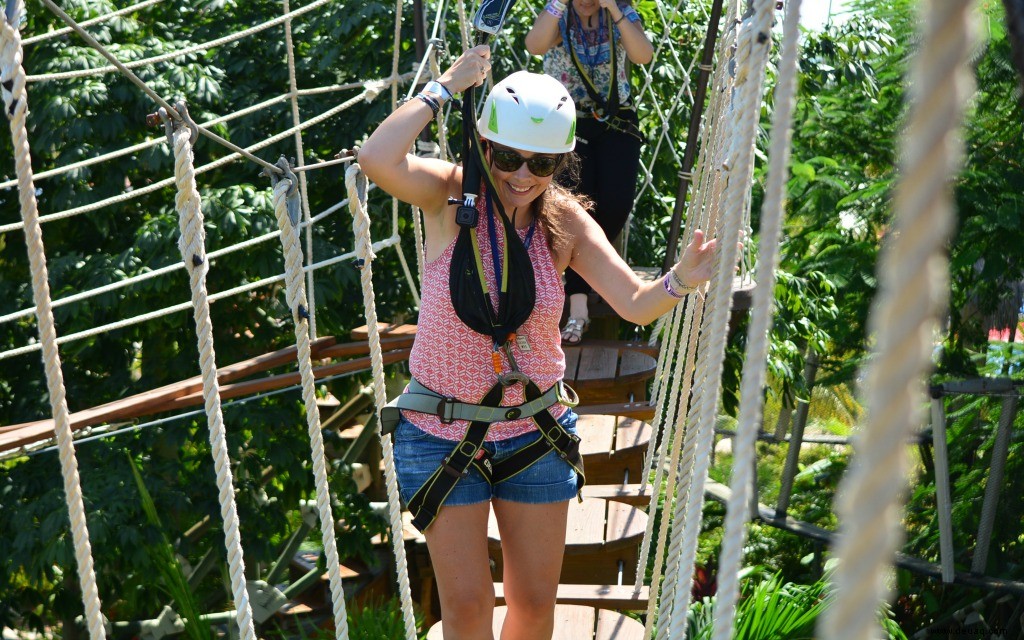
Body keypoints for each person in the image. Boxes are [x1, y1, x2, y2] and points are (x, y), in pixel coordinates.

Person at [358, 45, 715, 640]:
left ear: (560, 163)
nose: (522, 175)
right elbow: (375, 157)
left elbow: (632, 302)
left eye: (541, 164)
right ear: (483, 145)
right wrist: (445, 87)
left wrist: (681, 280)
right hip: (443, 430)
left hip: (533, 429)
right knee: (468, 608)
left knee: (532, 610)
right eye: (506, 156)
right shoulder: (449, 195)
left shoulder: (565, 221)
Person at [525, 0, 654, 344]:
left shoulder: (619, 15)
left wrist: (613, 8)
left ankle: (580, 283)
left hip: (616, 120)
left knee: (615, 205)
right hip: (567, 121)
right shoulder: (560, 16)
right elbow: (534, 44)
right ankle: (578, 304)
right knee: (573, 208)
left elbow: (642, 55)